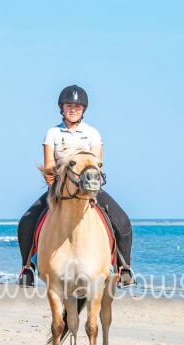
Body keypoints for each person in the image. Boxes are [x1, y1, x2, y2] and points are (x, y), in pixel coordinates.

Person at [16, 85, 134, 287]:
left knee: (122, 221)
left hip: (90, 189)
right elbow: (49, 167)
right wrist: (55, 189)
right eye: (69, 105)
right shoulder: (52, 133)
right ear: (62, 108)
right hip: (59, 190)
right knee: (27, 222)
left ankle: (124, 267)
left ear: (83, 110)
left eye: (77, 106)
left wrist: (90, 187)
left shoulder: (92, 134)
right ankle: (27, 268)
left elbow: (97, 164)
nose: (73, 109)